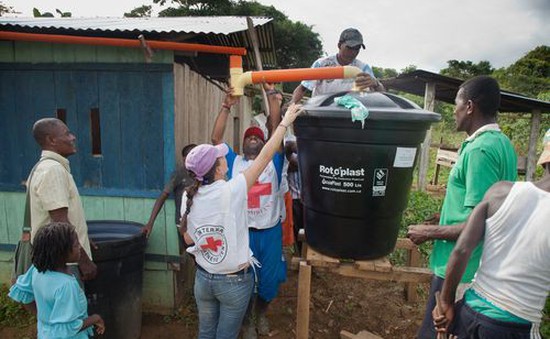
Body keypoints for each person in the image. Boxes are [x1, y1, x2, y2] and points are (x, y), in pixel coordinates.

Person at [406, 76, 518, 339]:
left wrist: (429, 233)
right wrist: (440, 217)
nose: (453, 111)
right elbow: (489, 208)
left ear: (469, 107)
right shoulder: (502, 145)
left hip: (461, 270)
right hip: (480, 267)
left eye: (456, 103)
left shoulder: (480, 150)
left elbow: (477, 226)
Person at [180, 102, 303, 339]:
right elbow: (267, 153)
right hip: (233, 276)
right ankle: (247, 322)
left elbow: (187, 237)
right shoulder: (232, 189)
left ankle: (259, 315)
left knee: (207, 330)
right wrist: (285, 122)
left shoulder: (189, 195)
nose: (224, 156)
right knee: (227, 331)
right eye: (220, 158)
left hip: (205, 276)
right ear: (217, 169)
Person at [433, 128, 550, 338]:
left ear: (545, 159)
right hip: (515, 325)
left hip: (469, 312)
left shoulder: (500, 192)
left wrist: (446, 302)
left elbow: (461, 249)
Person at [211, 85, 286, 338]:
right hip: (242, 232)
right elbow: (216, 140)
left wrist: (274, 101)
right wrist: (225, 106)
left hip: (270, 231)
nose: (253, 138)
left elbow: (277, 132)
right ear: (243, 143)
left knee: (270, 278)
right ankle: (245, 321)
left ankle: (261, 313)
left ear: (265, 143)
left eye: (258, 136)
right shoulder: (233, 162)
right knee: (241, 280)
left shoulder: (272, 161)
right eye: (248, 136)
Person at [28, 118, 96, 284]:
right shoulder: (53, 170)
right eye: (67, 134)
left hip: (58, 260)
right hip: (64, 263)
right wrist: (85, 262)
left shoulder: (45, 167)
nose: (73, 137)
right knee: (70, 309)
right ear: (51, 140)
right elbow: (61, 222)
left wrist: (85, 238)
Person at [9, 222, 106, 338]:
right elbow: (68, 328)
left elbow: (22, 292)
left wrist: (45, 318)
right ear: (61, 252)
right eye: (76, 245)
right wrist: (95, 318)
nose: (80, 247)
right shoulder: (66, 285)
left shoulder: (36, 270)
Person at [291, 27, 384, 103]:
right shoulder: (322, 64)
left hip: (350, 115)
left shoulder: (363, 68)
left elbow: (382, 96)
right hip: (322, 112)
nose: (353, 52)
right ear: (339, 45)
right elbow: (303, 89)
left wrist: (376, 83)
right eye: (350, 47)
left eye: (357, 48)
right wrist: (291, 104)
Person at [142, 143, 197, 239]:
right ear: (184, 159)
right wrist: (150, 223)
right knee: (185, 251)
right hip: (183, 223)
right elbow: (163, 196)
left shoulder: (204, 173)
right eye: (192, 156)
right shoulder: (179, 174)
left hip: (199, 221)